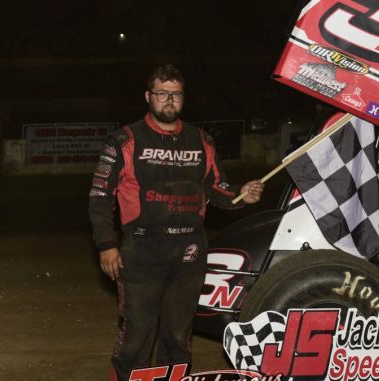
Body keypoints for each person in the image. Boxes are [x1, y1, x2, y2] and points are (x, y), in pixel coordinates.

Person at [88, 64, 264, 381]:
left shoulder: (202, 140)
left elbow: (217, 188)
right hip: (141, 250)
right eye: (162, 94)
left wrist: (241, 193)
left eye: (176, 95)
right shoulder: (124, 140)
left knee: (179, 333)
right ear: (148, 96)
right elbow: (101, 195)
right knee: (137, 333)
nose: (169, 101)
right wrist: (107, 244)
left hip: (189, 251)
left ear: (184, 99)